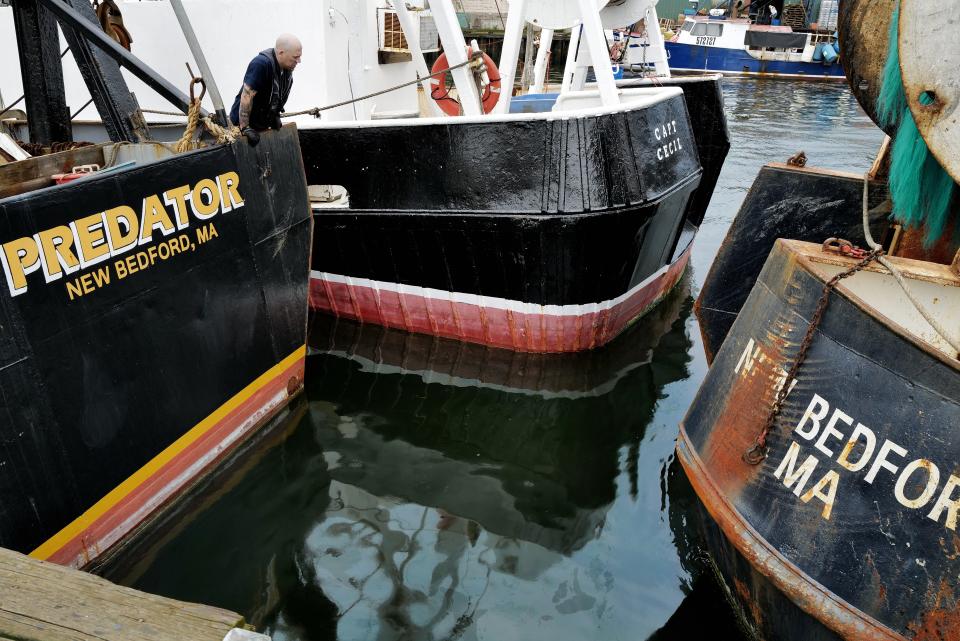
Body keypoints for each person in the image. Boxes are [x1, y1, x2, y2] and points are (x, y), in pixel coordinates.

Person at [230, 33, 302, 145]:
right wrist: (245, 128)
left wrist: (275, 114)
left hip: (261, 127)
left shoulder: (286, 70)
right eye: (295, 57)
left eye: (299, 57)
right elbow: (247, 96)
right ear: (281, 53)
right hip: (242, 129)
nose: (299, 61)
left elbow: (275, 96)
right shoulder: (261, 64)